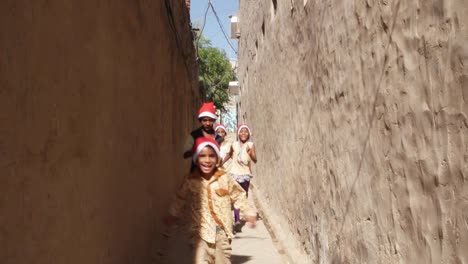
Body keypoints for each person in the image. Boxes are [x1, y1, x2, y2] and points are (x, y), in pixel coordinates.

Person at [165, 137, 257, 264]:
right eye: (202, 156)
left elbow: (238, 195)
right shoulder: (190, 180)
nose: (207, 160)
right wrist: (173, 213)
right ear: (196, 159)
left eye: (211, 156)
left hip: (221, 234)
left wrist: (248, 212)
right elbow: (180, 197)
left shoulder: (224, 178)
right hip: (199, 235)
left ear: (218, 159)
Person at [222, 124, 257, 231]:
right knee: (236, 196)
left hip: (245, 175)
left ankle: (244, 213)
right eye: (241, 131)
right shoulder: (234, 144)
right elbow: (229, 154)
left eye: (246, 131)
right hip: (234, 173)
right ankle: (237, 220)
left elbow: (255, 160)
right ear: (238, 133)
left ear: (249, 134)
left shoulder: (251, 145)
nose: (243, 133)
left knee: (244, 195)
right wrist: (221, 162)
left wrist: (250, 153)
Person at [183, 102, 222, 171]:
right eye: (205, 120)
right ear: (200, 121)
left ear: (214, 120)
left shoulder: (219, 138)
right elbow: (185, 154)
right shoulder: (194, 135)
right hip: (197, 173)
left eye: (210, 120)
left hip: (214, 173)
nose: (208, 123)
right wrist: (197, 150)